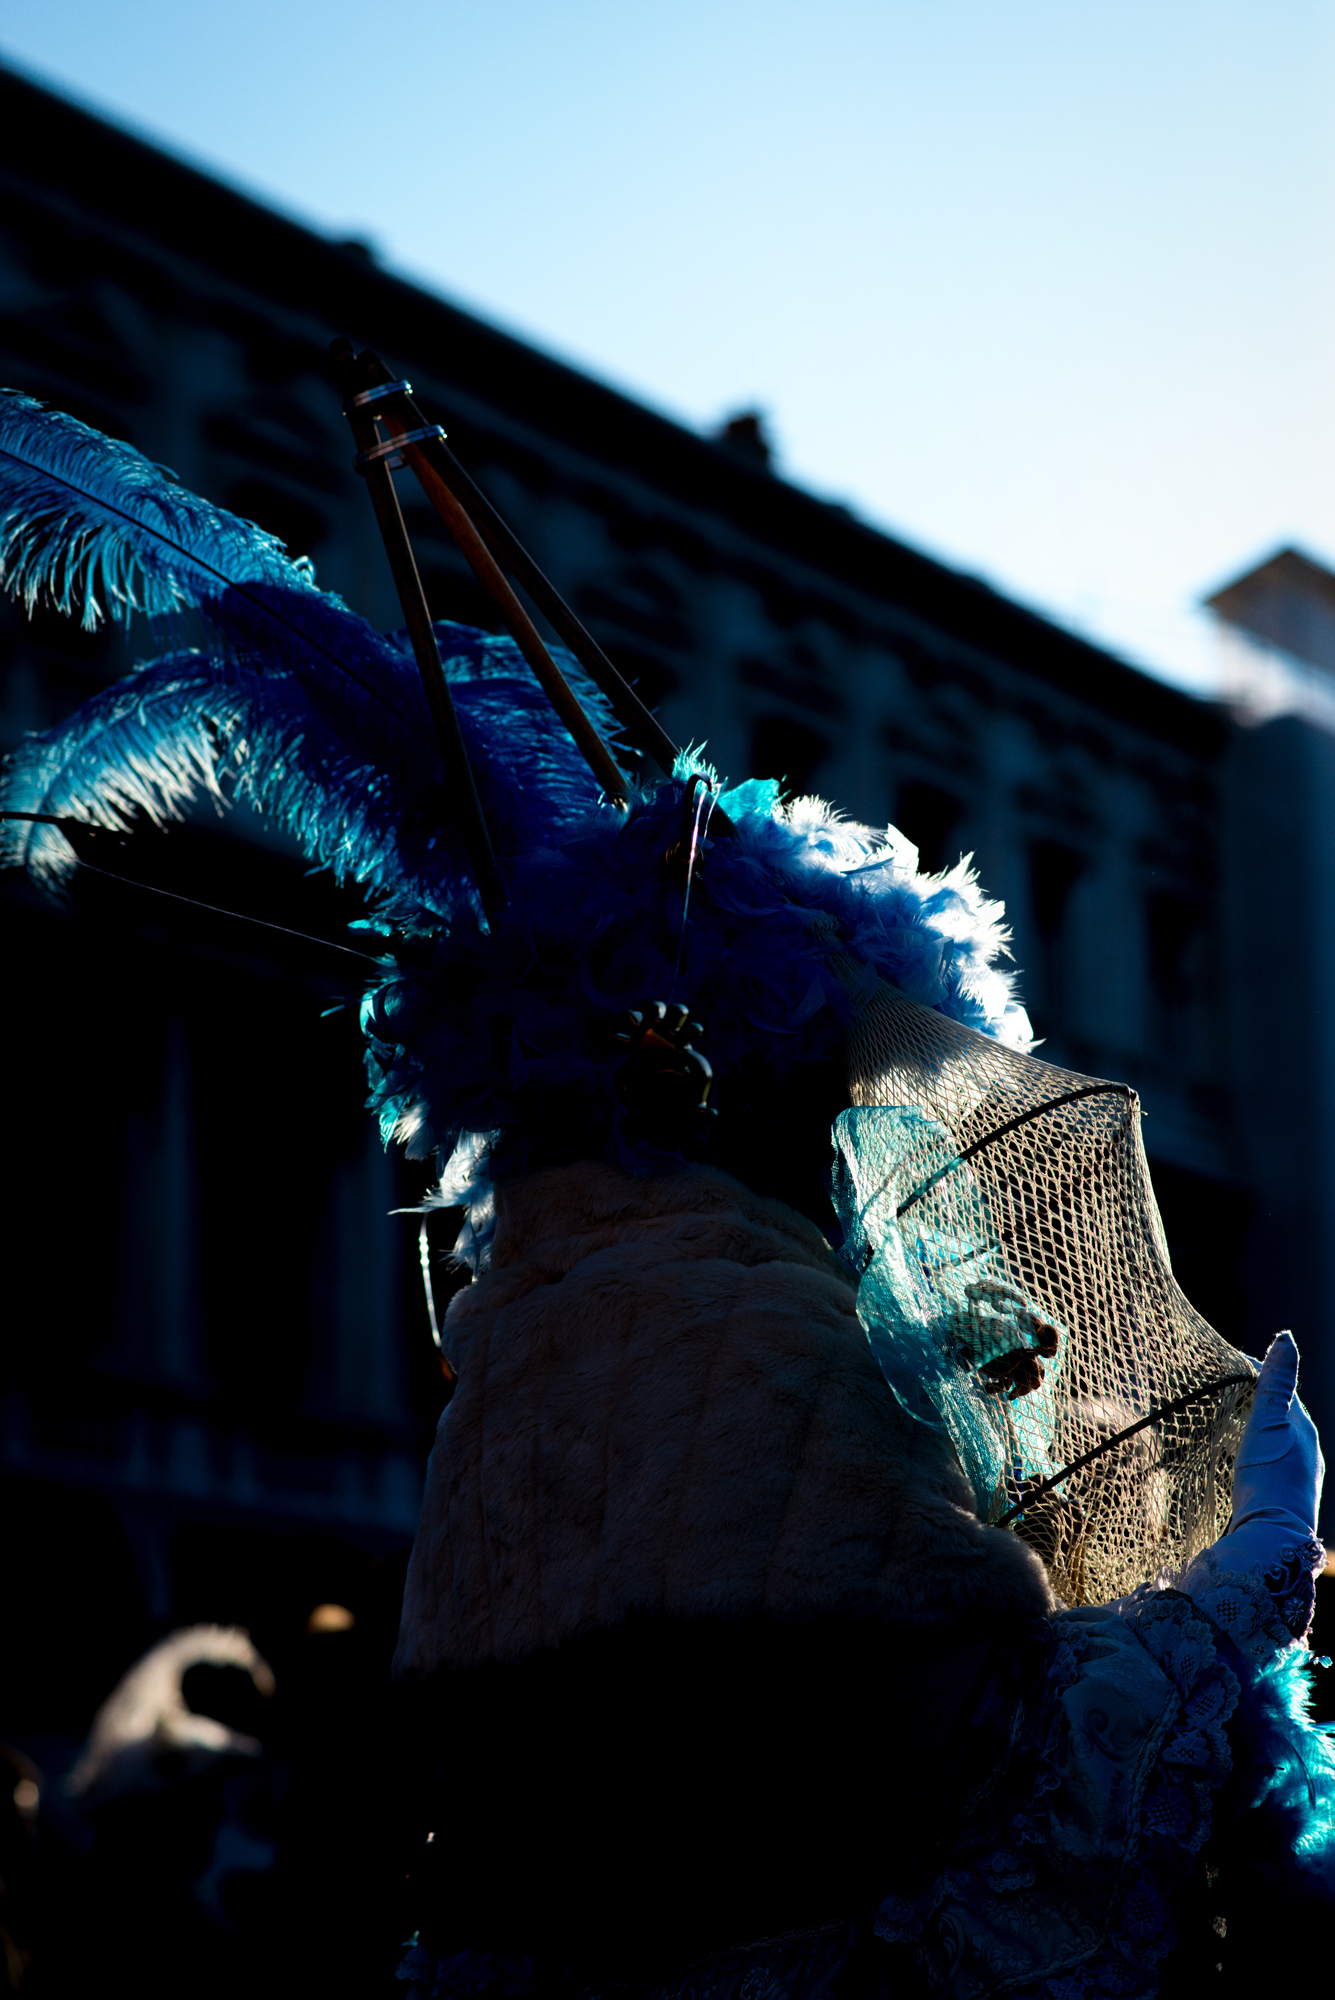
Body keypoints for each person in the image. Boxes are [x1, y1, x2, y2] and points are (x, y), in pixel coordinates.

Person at [1, 387, 1331, 2000]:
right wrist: (1246, 1575)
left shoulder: (530, 1353)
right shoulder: (747, 1349)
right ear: (770, 1088)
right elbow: (991, 1818)